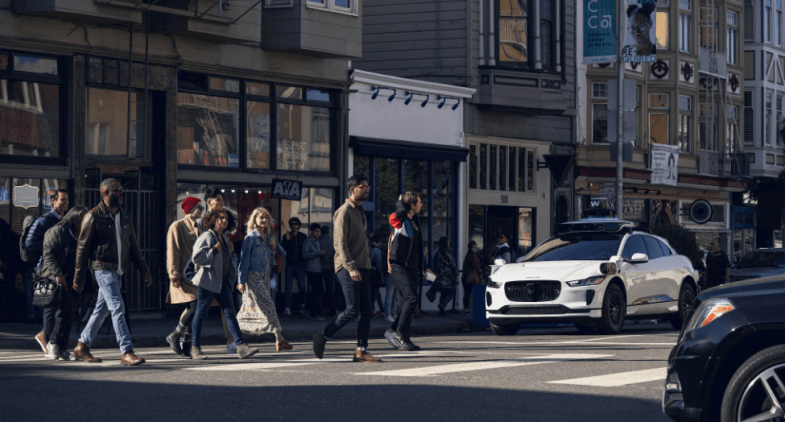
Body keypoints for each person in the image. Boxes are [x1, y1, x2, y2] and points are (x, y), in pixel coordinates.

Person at [73, 179, 152, 365]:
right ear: (105, 192)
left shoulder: (124, 216)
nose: (121, 193)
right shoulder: (93, 216)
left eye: (121, 190)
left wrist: (145, 270)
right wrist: (78, 278)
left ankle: (82, 346)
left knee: (102, 310)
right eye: (117, 190)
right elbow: (82, 248)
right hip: (102, 268)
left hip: (118, 270)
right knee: (117, 307)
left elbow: (133, 246)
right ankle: (126, 351)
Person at [313, 174, 382, 363]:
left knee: (367, 311)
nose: (366, 189)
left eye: (367, 186)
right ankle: (323, 335)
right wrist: (351, 268)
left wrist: (366, 265)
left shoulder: (360, 211)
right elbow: (340, 243)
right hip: (347, 267)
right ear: (352, 189)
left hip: (363, 267)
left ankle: (361, 350)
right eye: (363, 186)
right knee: (352, 310)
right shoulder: (344, 212)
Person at [189, 208, 258, 360]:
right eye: (220, 218)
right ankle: (194, 348)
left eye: (226, 218)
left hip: (222, 281)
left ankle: (241, 347)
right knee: (201, 313)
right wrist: (213, 251)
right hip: (207, 281)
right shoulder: (207, 236)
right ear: (213, 220)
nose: (224, 220)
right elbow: (197, 258)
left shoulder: (224, 238)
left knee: (230, 312)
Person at [236, 207, 293, 351]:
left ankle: (235, 334)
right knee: (269, 304)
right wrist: (241, 280)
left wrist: (273, 247)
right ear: (254, 220)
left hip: (266, 276)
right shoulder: (250, 237)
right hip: (253, 276)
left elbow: (283, 254)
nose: (264, 220)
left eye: (266, 217)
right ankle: (280, 339)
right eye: (261, 217)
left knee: (258, 307)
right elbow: (244, 260)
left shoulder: (268, 237)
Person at [41, 206, 88, 361]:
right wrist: (57, 273)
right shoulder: (58, 230)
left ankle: (62, 348)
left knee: (70, 313)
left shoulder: (80, 233)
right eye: (81, 219)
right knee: (62, 312)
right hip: (58, 277)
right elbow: (48, 255)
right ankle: (53, 343)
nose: (84, 223)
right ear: (74, 218)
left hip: (73, 278)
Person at [25, 187, 69, 354]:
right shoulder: (44, 221)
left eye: (67, 200)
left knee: (60, 306)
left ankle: (47, 336)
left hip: (61, 267)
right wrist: (50, 247)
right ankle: (49, 340)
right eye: (62, 200)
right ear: (53, 201)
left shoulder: (65, 220)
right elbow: (29, 243)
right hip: (46, 268)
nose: (65, 203)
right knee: (50, 305)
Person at [384, 192, 425, 352]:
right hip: (398, 265)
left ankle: (397, 333)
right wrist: (401, 202)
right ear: (411, 205)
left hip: (412, 267)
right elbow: (397, 215)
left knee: (406, 302)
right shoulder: (398, 220)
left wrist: (424, 266)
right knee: (411, 298)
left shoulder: (415, 221)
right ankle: (400, 334)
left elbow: (419, 246)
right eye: (419, 202)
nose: (421, 205)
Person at [164, 196, 204, 357]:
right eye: (199, 207)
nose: (202, 210)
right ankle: (175, 334)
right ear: (190, 209)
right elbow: (172, 250)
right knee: (195, 306)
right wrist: (173, 273)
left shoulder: (199, 227)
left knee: (195, 308)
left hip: (198, 275)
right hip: (183, 274)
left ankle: (187, 345)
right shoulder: (177, 226)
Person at [281, 217, 308, 316]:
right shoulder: (286, 236)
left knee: (301, 286)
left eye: (295, 224)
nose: (293, 226)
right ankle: (287, 307)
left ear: (299, 225)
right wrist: (287, 240)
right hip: (290, 264)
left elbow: (306, 249)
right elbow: (283, 250)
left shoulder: (303, 236)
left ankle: (303, 305)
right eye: (292, 224)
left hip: (300, 265)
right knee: (288, 287)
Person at [303, 223, 326, 320]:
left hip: (318, 269)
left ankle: (307, 308)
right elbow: (305, 255)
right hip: (311, 269)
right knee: (315, 291)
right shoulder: (307, 242)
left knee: (319, 290)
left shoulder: (317, 242)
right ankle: (313, 313)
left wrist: (323, 254)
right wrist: (317, 253)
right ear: (311, 231)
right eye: (316, 231)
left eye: (319, 231)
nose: (317, 233)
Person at [432, 237, 458, 316]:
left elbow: (434, 265)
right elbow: (453, 265)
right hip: (447, 278)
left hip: (439, 277)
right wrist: (456, 275)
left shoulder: (437, 253)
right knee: (452, 292)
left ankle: (441, 310)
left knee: (443, 293)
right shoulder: (448, 254)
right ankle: (442, 304)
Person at [318, 225, 341, 317]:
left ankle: (320, 309)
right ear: (328, 231)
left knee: (319, 288)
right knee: (330, 288)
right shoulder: (332, 241)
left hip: (320, 267)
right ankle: (332, 309)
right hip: (330, 267)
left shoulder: (318, 241)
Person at [461, 241, 482, 315]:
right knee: (474, 294)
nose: (475, 249)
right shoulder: (473, 256)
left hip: (465, 277)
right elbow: (475, 266)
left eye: (476, 247)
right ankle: (474, 310)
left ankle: (466, 309)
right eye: (473, 247)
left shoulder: (468, 255)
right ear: (470, 248)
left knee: (467, 293)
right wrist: (480, 273)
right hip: (471, 277)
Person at [369, 233, 385, 318]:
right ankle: (371, 310)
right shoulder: (377, 250)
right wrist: (381, 276)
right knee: (375, 292)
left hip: (369, 272)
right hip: (375, 273)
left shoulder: (370, 248)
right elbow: (379, 265)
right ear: (379, 241)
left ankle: (382, 309)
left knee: (376, 292)